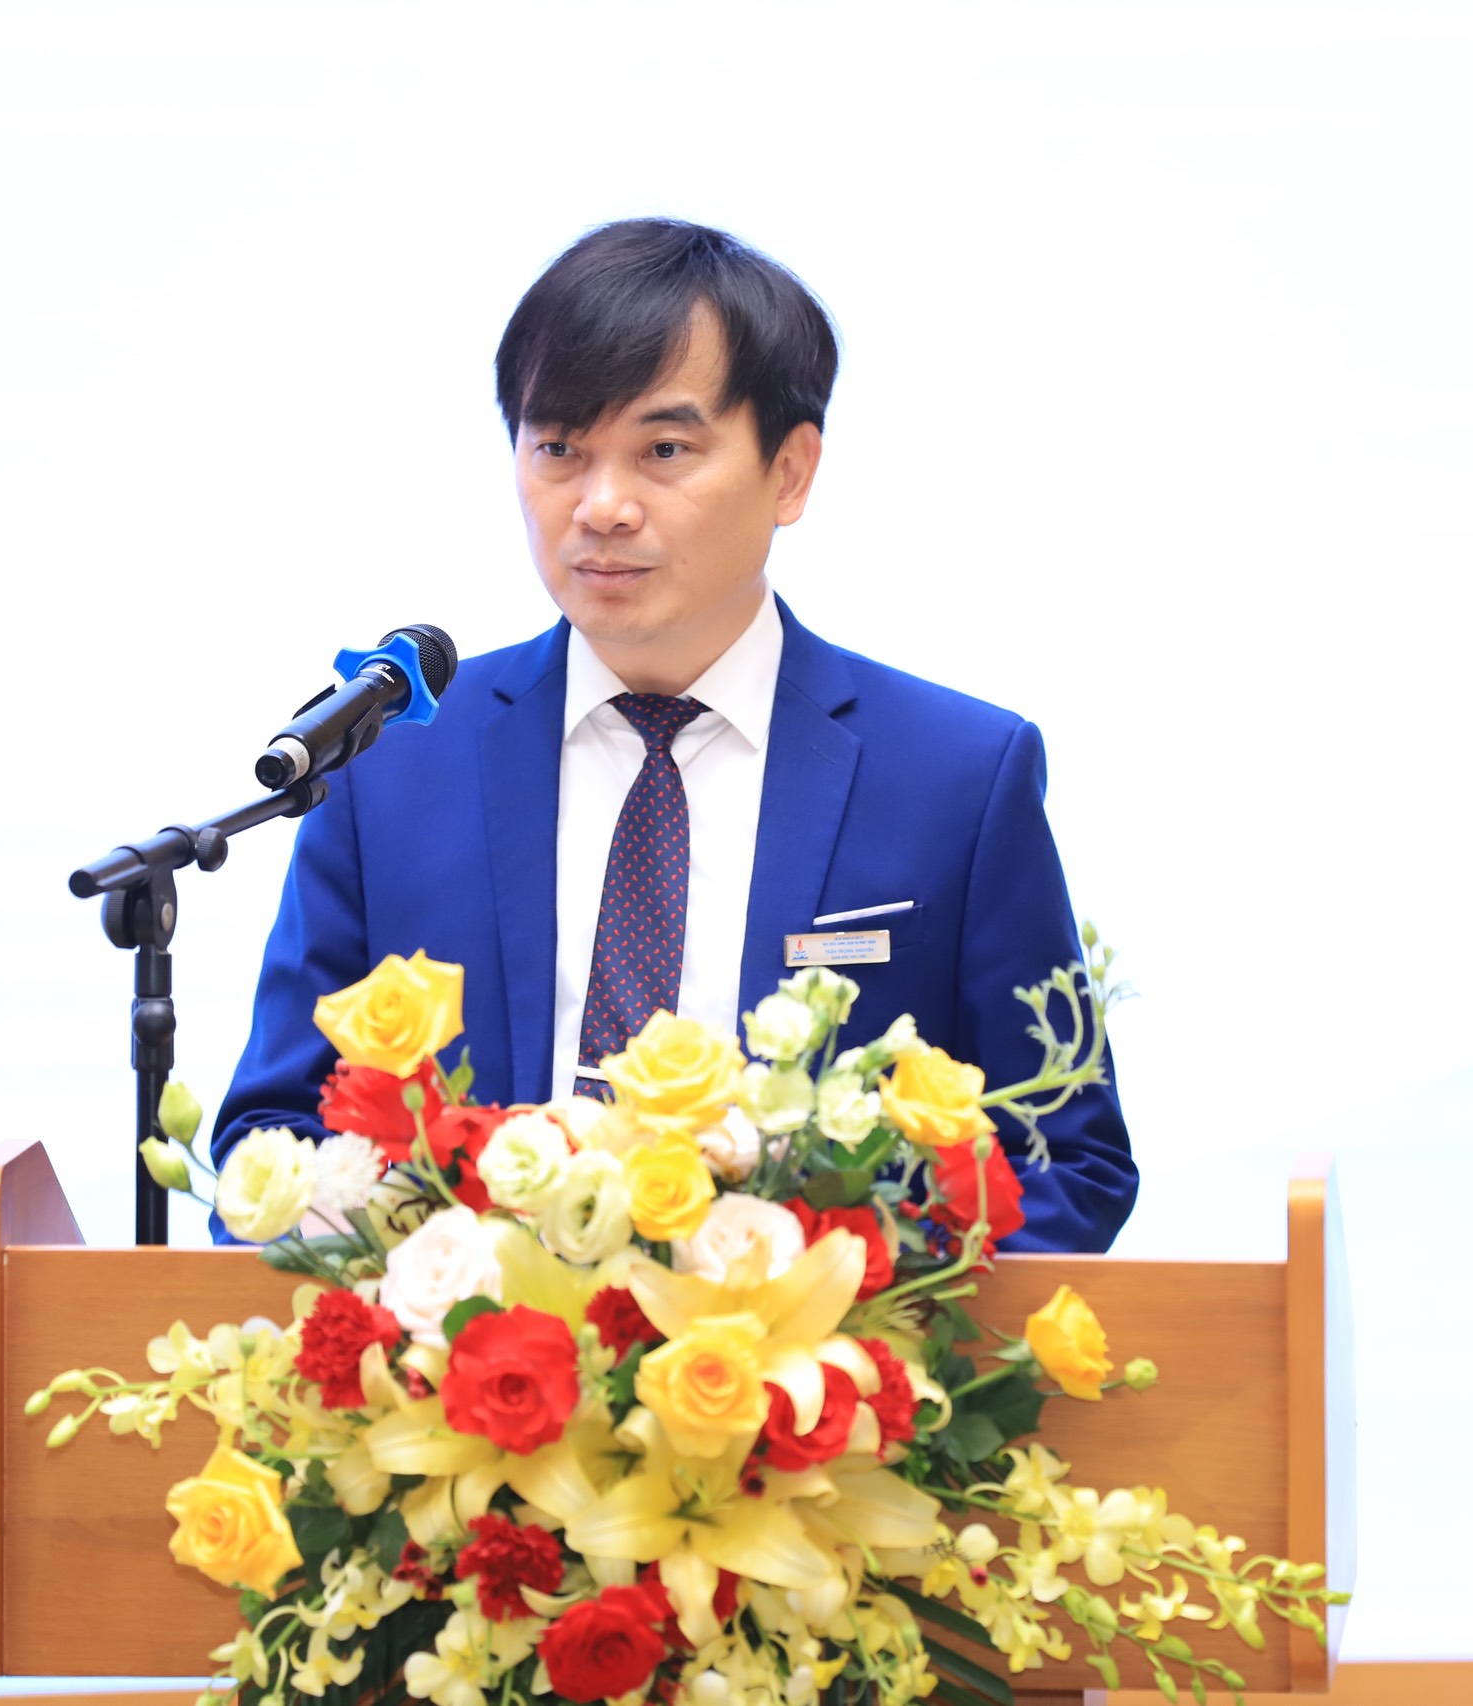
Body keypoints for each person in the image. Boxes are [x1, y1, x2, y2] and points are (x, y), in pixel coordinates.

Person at [208, 218, 1136, 1251]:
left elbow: (1064, 1163)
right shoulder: (392, 763)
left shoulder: (955, 777)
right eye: (559, 448)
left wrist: (833, 1310)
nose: (602, 506)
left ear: (790, 471)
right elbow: (271, 1140)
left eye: (664, 450)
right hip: (464, 1349)